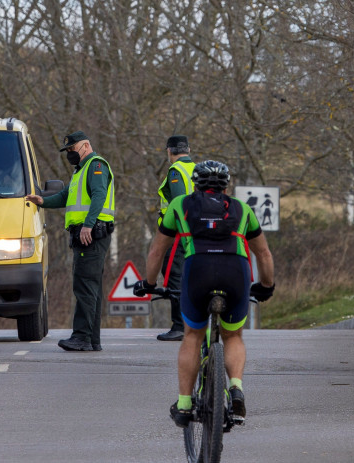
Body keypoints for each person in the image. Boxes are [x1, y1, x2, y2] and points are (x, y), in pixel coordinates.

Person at [133, 160, 275, 427]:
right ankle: (235, 388)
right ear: (226, 185)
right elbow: (263, 253)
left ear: (195, 183)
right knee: (233, 335)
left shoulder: (180, 205)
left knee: (192, 335)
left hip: (197, 271)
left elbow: (157, 251)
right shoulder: (242, 209)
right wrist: (267, 286)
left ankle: (185, 404)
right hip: (235, 271)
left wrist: (149, 283)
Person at [25, 131, 115, 352]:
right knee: (89, 287)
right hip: (88, 234)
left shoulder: (95, 166)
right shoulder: (80, 171)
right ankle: (91, 339)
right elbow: (65, 196)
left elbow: (99, 195)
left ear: (85, 146)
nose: (69, 154)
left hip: (91, 234)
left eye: (72, 149)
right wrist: (43, 201)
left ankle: (82, 337)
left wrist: (88, 224)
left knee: (84, 286)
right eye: (67, 151)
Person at [156, 135, 196, 342]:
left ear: (169, 151)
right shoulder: (197, 169)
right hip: (195, 231)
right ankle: (191, 323)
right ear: (188, 150)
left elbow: (180, 202)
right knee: (187, 277)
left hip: (178, 233)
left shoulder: (176, 171)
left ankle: (180, 326)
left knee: (174, 276)